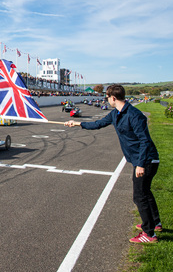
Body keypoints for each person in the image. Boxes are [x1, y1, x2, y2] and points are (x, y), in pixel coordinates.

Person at [65, 84, 161, 244]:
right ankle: (155, 223)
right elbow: (98, 124)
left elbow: (144, 140)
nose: (107, 100)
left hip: (146, 160)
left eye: (108, 98)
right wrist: (77, 124)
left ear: (113, 98)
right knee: (145, 192)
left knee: (140, 196)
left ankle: (149, 234)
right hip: (140, 160)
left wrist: (141, 164)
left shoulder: (134, 115)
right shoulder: (115, 114)